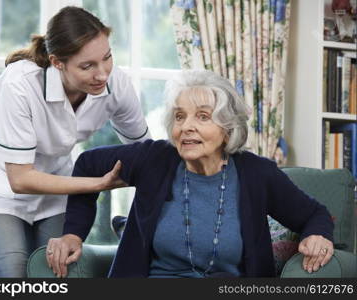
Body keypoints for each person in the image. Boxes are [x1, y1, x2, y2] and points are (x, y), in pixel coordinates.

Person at [47, 70, 334, 278]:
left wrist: (318, 236)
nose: (186, 127)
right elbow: (86, 164)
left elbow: (315, 215)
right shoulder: (154, 158)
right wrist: (73, 233)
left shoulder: (257, 173)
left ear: (227, 128)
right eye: (180, 116)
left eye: (203, 116)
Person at [0, 6, 151, 278]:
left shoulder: (116, 84)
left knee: (54, 274)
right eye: (87, 66)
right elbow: (20, 179)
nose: (102, 74)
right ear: (57, 62)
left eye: (107, 58)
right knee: (14, 277)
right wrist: (97, 184)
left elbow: (145, 151)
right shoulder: (20, 82)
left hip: (56, 182)